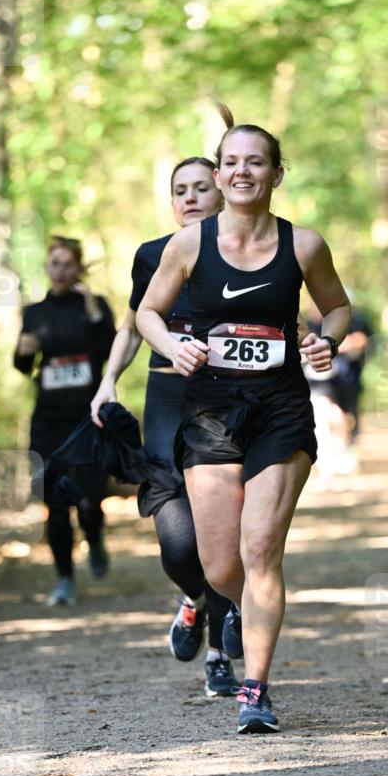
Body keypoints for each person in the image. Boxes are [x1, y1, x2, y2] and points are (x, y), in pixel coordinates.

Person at [136, 104, 351, 734]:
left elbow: (337, 308)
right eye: (231, 161)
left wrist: (326, 340)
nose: (241, 171)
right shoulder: (188, 243)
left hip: (281, 411)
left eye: (255, 161)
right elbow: (149, 312)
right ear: (219, 170)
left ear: (276, 174)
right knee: (220, 566)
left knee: (261, 548)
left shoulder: (303, 244)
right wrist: (173, 346)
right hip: (210, 413)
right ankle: (228, 608)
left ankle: (254, 689)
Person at [90, 158, 237, 698]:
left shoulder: (245, 253)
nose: (191, 197)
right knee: (178, 544)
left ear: (221, 191)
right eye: (181, 190)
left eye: (202, 187)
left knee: (222, 534)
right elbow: (133, 327)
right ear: (171, 200)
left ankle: (220, 656)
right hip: (166, 401)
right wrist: (108, 382)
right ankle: (195, 601)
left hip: (226, 404)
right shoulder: (152, 255)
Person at [14, 236, 115, 607]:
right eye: (54, 263)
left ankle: (96, 538)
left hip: (88, 416)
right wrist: (22, 353)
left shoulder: (96, 306)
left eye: (67, 264)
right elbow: (24, 364)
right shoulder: (35, 312)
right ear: (46, 267)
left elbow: (109, 352)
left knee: (89, 500)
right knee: (55, 502)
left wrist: (93, 311)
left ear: (78, 268)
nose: (60, 270)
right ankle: (64, 580)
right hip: (49, 419)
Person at [304, 293, 372, 481]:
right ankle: (327, 459)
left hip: (346, 379)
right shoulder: (307, 322)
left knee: (344, 417)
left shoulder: (355, 320)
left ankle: (342, 451)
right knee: (324, 412)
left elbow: (361, 340)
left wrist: (330, 346)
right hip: (318, 380)